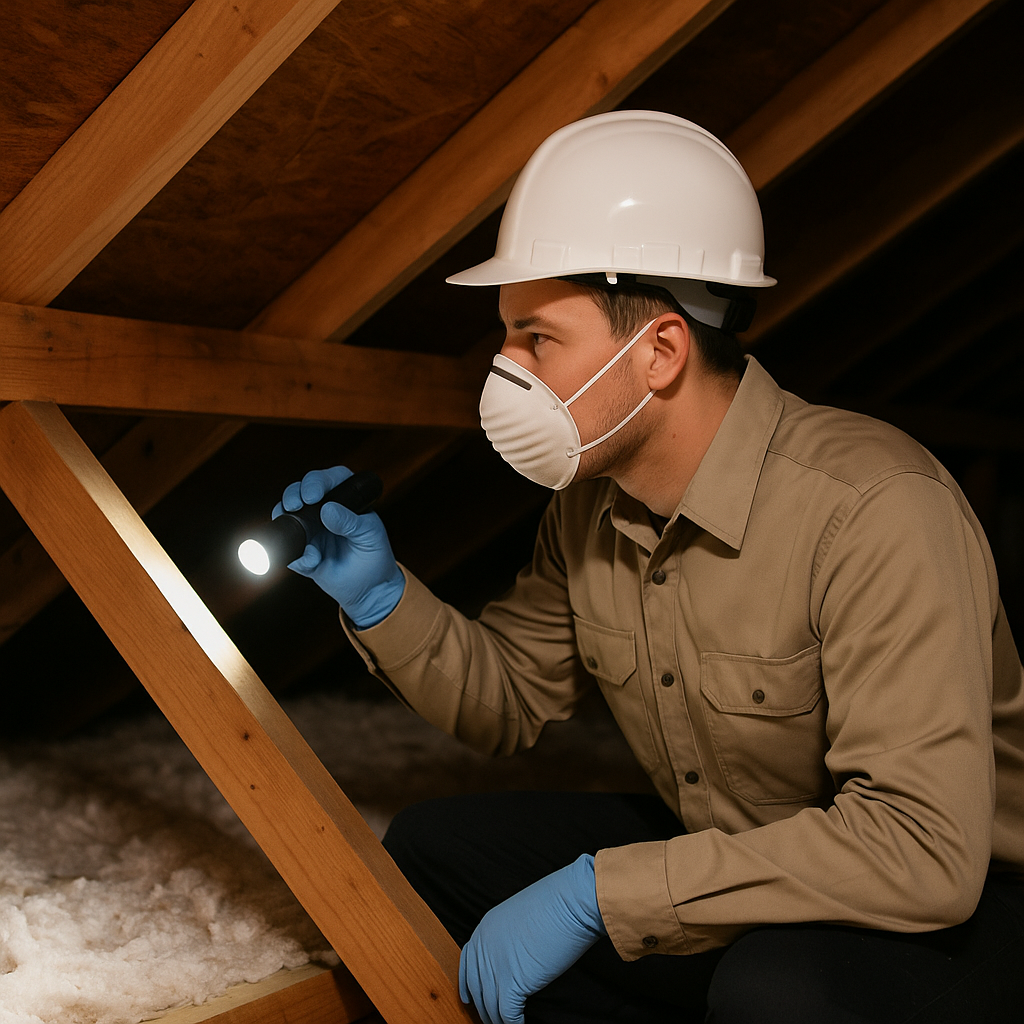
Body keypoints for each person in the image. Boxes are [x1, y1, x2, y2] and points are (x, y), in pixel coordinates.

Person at [275, 111, 1024, 1023]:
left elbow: (921, 851)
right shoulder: (589, 505)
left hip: (966, 902)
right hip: (741, 850)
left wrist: (604, 894)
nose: (502, 371)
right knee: (435, 849)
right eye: (504, 336)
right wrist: (384, 598)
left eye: (536, 338)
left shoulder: (873, 507)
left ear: (661, 350)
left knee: (775, 991)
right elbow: (508, 700)